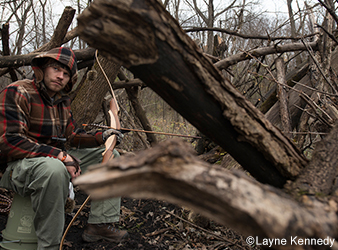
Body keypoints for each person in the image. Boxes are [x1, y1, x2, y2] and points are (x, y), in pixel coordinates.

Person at [0, 47, 129, 249]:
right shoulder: (18, 92)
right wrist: (60, 156)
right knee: (54, 169)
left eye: (66, 73)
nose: (60, 76)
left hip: (54, 159)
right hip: (19, 166)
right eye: (55, 69)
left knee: (111, 156)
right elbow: (10, 141)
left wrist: (102, 137)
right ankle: (49, 245)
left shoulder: (61, 100)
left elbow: (73, 135)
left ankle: (99, 224)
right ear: (42, 69)